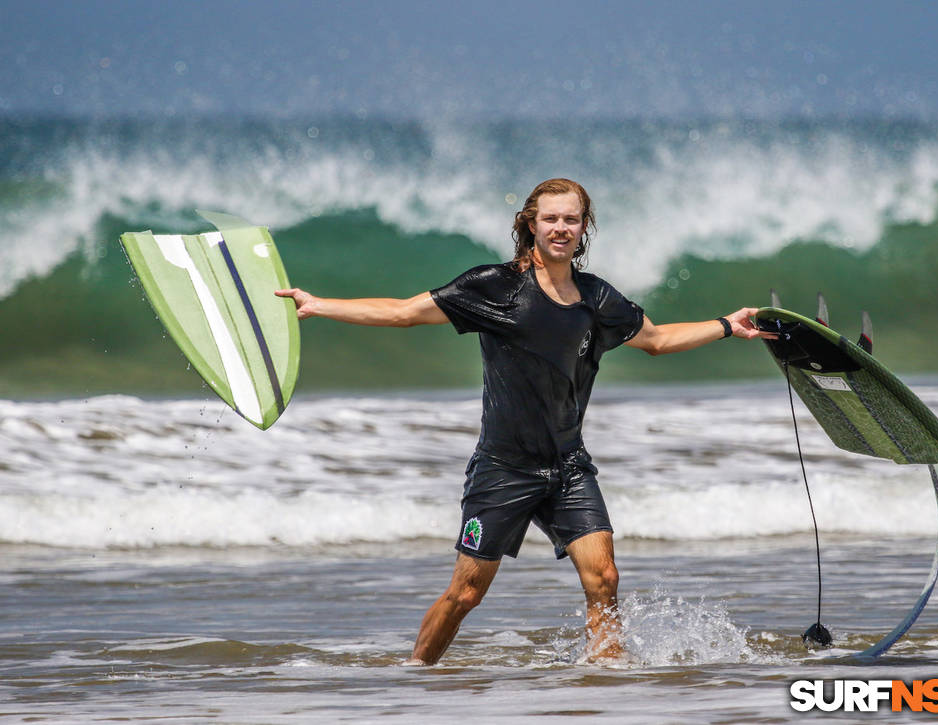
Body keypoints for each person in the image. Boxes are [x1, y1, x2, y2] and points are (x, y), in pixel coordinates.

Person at [276, 178, 774, 665]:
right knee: (466, 593)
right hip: (504, 467)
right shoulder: (494, 287)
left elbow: (659, 339)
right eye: (551, 218)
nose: (561, 227)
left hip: (568, 466)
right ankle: (415, 673)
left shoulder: (597, 299)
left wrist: (729, 325)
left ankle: (608, 680)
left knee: (604, 579)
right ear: (530, 224)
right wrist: (320, 305)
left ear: (584, 228)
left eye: (572, 219)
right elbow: (404, 312)